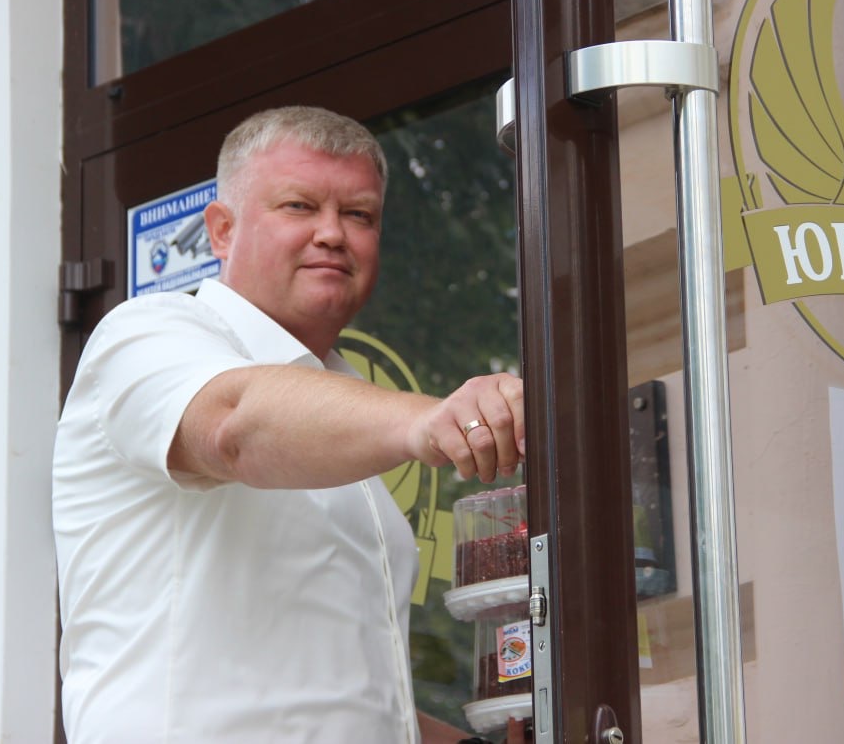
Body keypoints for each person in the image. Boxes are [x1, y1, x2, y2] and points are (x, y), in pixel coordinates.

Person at [52, 105, 525, 743]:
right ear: (222, 231)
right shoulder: (145, 333)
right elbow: (234, 425)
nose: (332, 233)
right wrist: (429, 419)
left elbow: (352, 701)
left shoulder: (344, 411)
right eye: (299, 206)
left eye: (359, 215)